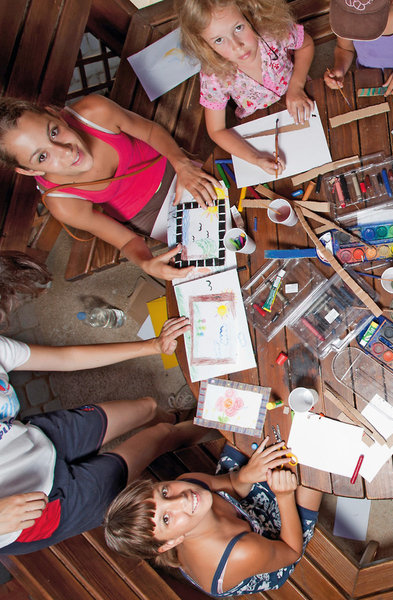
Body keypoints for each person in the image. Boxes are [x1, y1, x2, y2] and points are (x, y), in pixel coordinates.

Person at [0, 251, 209, 555]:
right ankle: (199, 426)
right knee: (160, 437)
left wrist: (152, 346)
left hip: (36, 440)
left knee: (148, 407)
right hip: (44, 509)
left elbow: (66, 359)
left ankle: (176, 419)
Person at [0, 95, 219, 281]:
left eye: (54, 132)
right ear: (28, 171)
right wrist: (146, 263)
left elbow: (150, 132)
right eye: (42, 157)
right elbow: (126, 239)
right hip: (153, 216)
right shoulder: (62, 201)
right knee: (215, 254)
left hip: (174, 167)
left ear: (55, 115)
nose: (65, 151)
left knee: (232, 198)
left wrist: (181, 164)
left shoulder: (95, 112)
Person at [104, 441, 322, 597]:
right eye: (166, 519)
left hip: (240, 507)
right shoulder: (240, 554)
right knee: (317, 466)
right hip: (273, 545)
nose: (182, 499)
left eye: (164, 493)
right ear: (170, 543)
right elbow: (291, 551)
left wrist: (247, 475)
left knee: (246, 427)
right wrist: (284, 496)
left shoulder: (190, 485)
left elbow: (234, 484)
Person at [178, 0, 315, 177]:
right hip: (257, 124)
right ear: (205, 46)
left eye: (238, 28)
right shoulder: (214, 76)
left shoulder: (272, 31)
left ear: (249, 13)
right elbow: (216, 130)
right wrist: (255, 158)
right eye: (219, 40)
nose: (237, 46)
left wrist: (296, 85)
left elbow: (306, 45)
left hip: (300, 94)